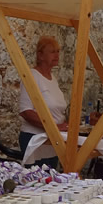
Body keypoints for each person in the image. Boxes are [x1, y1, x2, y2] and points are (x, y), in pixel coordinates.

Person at [17, 36, 68, 165]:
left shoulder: (53, 79)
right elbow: (26, 111)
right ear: (40, 55)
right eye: (52, 51)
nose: (56, 55)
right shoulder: (32, 76)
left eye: (58, 51)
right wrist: (54, 127)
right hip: (35, 139)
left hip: (53, 141)